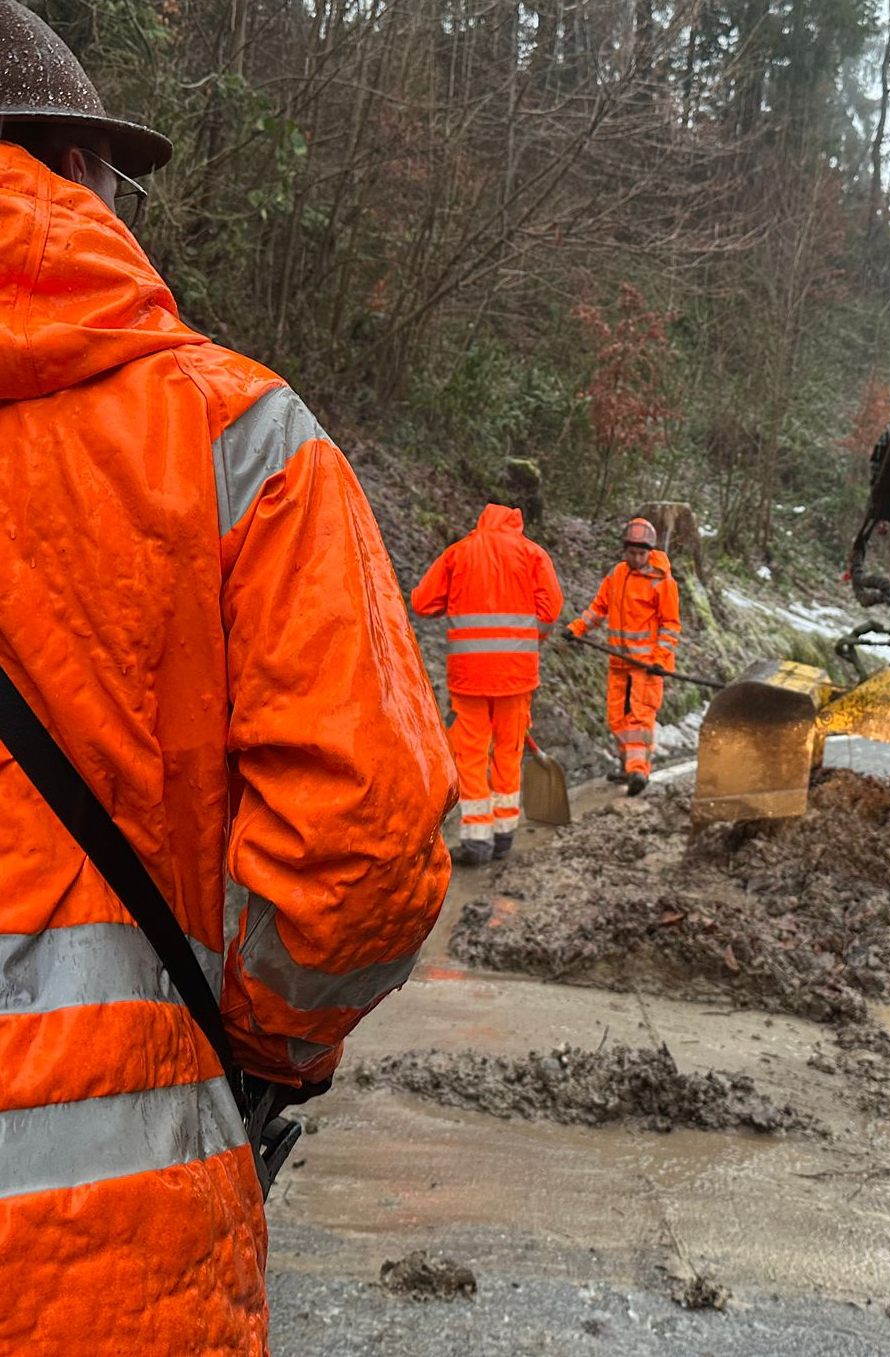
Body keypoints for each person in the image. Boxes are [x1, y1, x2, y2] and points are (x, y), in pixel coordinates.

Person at [0, 5, 457, 1353]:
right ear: (83, 179)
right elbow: (362, 842)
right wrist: (262, 1055)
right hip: (108, 1251)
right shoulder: (233, 441)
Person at [412, 504, 563, 863]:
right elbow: (551, 608)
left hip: (470, 677)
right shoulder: (532, 554)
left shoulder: (459, 553)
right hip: (516, 675)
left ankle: (477, 839)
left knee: (471, 754)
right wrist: (529, 641)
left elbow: (421, 603)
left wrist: (456, 601)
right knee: (508, 751)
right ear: (515, 521)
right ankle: (504, 834)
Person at [566, 517, 681, 795]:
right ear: (624, 550)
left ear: (649, 551)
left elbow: (670, 625)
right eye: (631, 553)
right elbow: (599, 608)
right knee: (616, 718)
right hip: (618, 663)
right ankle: (626, 766)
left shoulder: (661, 582)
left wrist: (659, 658)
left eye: (641, 553)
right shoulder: (617, 574)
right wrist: (577, 628)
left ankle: (639, 771)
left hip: (646, 666)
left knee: (639, 719)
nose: (636, 558)